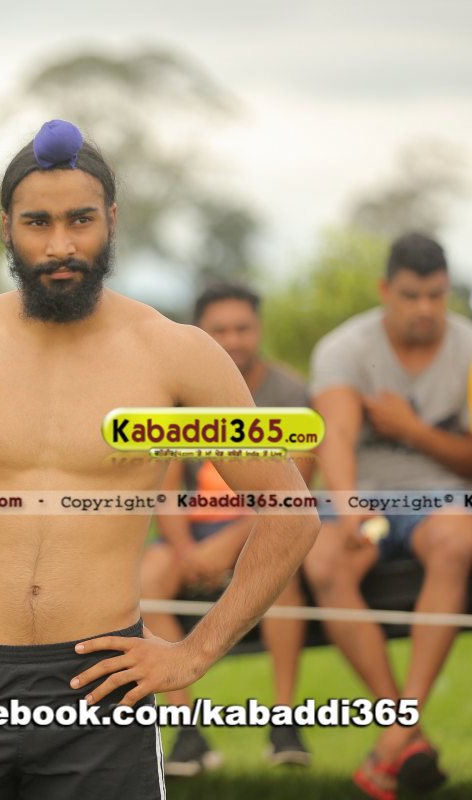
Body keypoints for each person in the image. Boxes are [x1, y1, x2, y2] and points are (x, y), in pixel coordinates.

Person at [0, 120, 319, 799]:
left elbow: (290, 513)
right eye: (37, 223)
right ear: (6, 228)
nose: (60, 246)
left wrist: (192, 653)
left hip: (104, 691)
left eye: (80, 220)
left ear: (112, 219)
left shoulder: (177, 355)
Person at [305, 232, 472, 799]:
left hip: (441, 498)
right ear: (384, 290)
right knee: (324, 562)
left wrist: (412, 430)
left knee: (457, 543)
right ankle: (408, 731)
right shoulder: (343, 348)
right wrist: (348, 501)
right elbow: (336, 435)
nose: (424, 308)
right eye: (410, 295)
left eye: (435, 295)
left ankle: (396, 734)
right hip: (362, 494)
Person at [141, 283, 314, 773]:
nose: (233, 340)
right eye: (220, 330)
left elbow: (293, 496)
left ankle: (284, 721)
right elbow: (165, 489)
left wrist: (225, 548)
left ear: (259, 330)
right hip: (192, 533)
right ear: (200, 333)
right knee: (147, 579)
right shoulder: (178, 393)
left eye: (243, 328)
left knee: (283, 576)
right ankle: (186, 729)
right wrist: (186, 551)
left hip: (258, 526)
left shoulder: (289, 394)